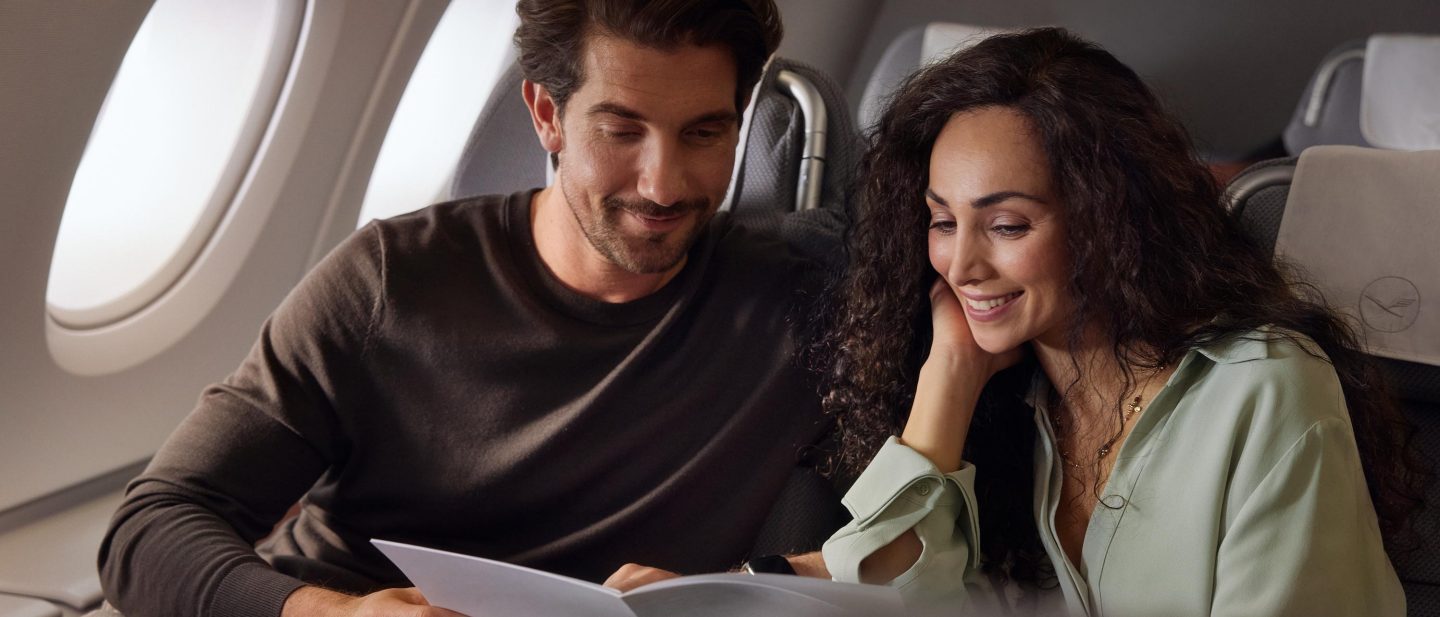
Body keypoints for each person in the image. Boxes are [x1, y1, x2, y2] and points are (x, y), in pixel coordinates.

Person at [95, 2, 846, 616]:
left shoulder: (803, 300)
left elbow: (923, 542)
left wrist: (741, 583)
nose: (662, 183)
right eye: (621, 131)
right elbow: (149, 528)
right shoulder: (390, 280)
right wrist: (329, 614)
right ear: (547, 114)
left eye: (704, 133)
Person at [813, 27, 1424, 616]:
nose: (961, 266)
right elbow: (878, 598)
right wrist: (949, 374)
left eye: (1007, 226)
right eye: (943, 223)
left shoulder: (1264, 389)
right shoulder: (1009, 399)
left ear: (1109, 221)